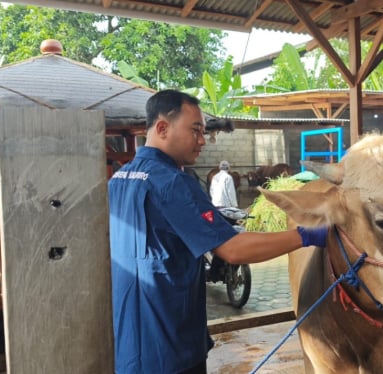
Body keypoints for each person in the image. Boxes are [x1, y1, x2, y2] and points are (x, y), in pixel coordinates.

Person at [108, 89, 327, 374]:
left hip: (129, 345)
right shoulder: (173, 183)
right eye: (195, 130)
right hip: (170, 346)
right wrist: (306, 235)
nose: (202, 141)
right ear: (162, 128)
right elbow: (233, 249)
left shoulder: (120, 178)